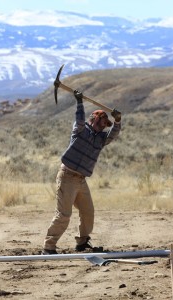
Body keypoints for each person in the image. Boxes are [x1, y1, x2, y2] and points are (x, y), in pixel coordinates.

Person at [42, 90, 121, 255]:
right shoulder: (80, 130)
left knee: (88, 212)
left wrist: (118, 121)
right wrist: (79, 103)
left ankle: (82, 242)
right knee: (64, 214)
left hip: (81, 180)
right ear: (93, 120)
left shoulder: (101, 139)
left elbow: (113, 134)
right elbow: (78, 120)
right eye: (101, 122)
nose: (103, 127)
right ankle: (49, 247)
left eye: (105, 124)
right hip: (67, 177)